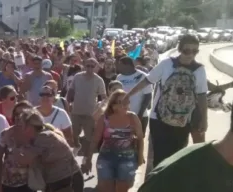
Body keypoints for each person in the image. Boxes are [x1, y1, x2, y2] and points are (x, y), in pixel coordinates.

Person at [125, 34, 208, 167]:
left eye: (195, 51)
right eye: (187, 50)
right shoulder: (166, 64)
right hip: (159, 119)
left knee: (176, 158)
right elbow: (147, 81)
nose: (191, 54)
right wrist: (127, 96)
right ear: (180, 49)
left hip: (183, 120)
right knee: (160, 157)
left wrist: (204, 119)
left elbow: (202, 95)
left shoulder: (199, 70)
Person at [86, 90, 144, 192]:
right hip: (106, 158)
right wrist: (87, 159)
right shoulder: (104, 119)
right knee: (103, 190)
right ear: (113, 105)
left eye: (127, 102)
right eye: (121, 102)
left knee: (121, 191)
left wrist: (140, 156)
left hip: (127, 158)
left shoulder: (133, 118)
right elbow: (95, 139)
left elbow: (141, 138)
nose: (126, 105)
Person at [67, 58, 107, 162]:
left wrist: (100, 110)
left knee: (89, 137)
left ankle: (86, 157)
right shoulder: (77, 77)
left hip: (90, 114)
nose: (89, 68)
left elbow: (104, 97)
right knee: (74, 134)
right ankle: (76, 146)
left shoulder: (99, 80)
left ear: (95, 67)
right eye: (87, 65)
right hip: (76, 111)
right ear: (84, 65)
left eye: (92, 66)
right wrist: (69, 103)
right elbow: (71, 90)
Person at [116, 56, 152, 135]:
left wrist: (139, 115)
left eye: (120, 65)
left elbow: (148, 96)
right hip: (123, 116)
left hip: (140, 116)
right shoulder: (119, 77)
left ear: (127, 65)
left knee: (138, 142)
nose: (118, 67)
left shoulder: (143, 76)